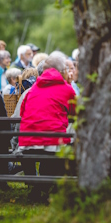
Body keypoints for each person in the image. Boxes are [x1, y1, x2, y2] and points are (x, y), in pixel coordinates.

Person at [18, 53, 76, 202]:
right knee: (65, 147)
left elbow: (23, 112)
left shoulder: (33, 89)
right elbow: (75, 113)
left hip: (27, 141)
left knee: (50, 146)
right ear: (62, 71)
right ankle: (48, 188)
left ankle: (40, 187)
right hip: (52, 142)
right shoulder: (67, 89)